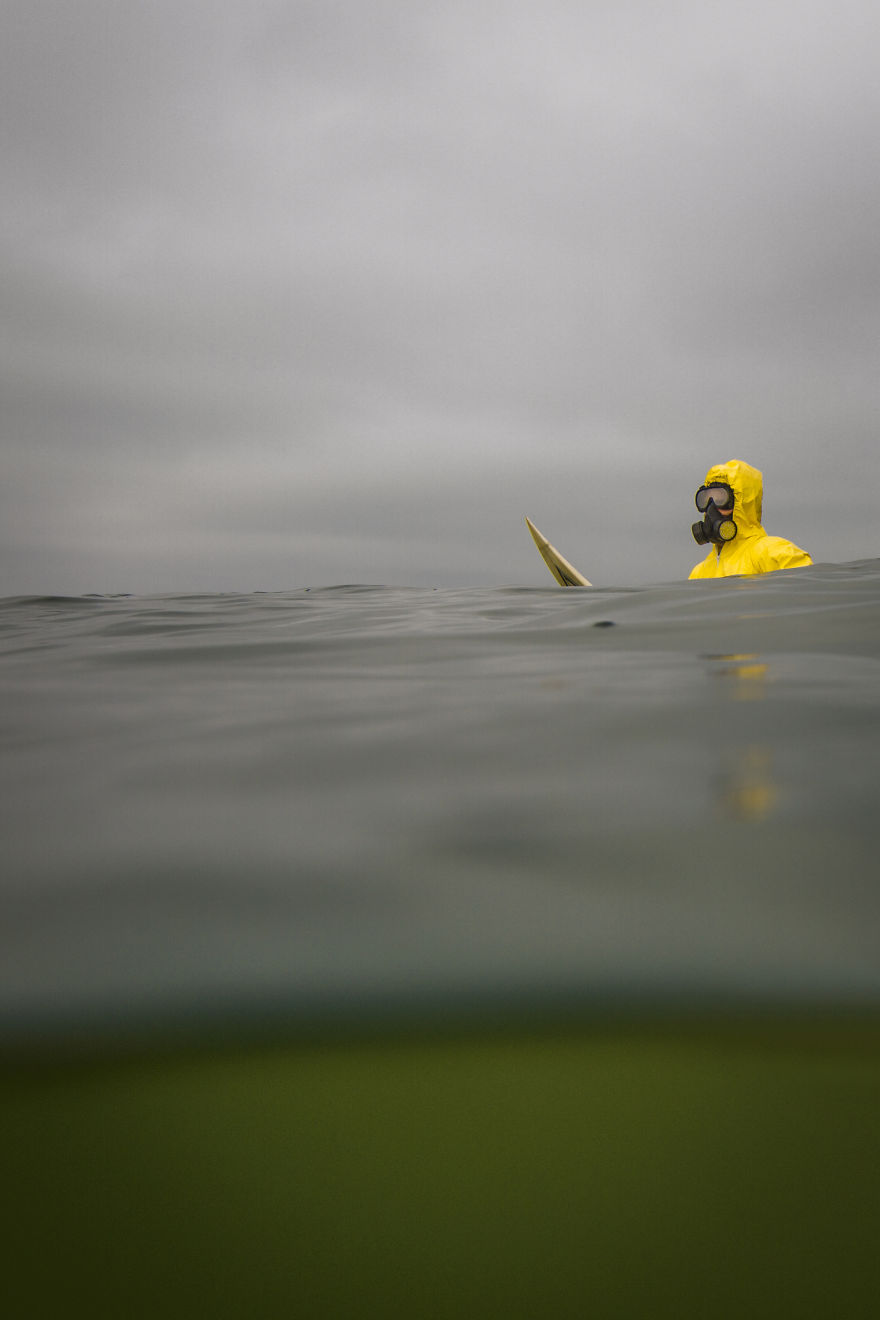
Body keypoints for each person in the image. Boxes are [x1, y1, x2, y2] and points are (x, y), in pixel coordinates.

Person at [689, 459, 812, 579]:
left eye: (720, 499)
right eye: (705, 499)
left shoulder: (776, 553)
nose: (711, 509)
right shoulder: (699, 573)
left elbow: (807, 592)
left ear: (741, 504)